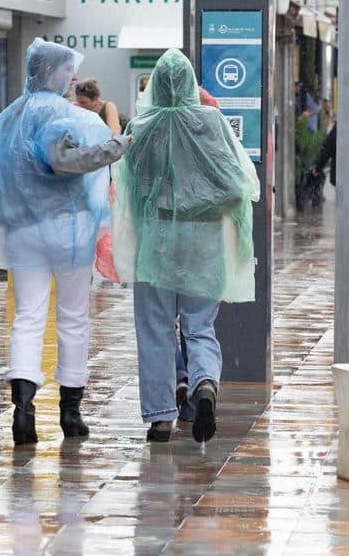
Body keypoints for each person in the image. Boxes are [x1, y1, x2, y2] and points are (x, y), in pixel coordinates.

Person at [0, 39, 129, 446]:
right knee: (72, 317)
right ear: (53, 73)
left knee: (28, 317)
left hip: (21, 233)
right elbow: (63, 161)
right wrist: (115, 147)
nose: (72, 79)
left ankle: (24, 410)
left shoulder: (10, 116)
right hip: (66, 231)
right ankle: (70, 413)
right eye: (67, 71)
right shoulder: (60, 114)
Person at [111, 49, 259, 444]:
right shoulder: (210, 122)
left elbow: (130, 188)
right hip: (204, 237)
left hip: (157, 236)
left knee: (155, 327)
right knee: (199, 326)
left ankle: (161, 417)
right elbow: (236, 184)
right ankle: (205, 384)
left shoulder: (143, 126)